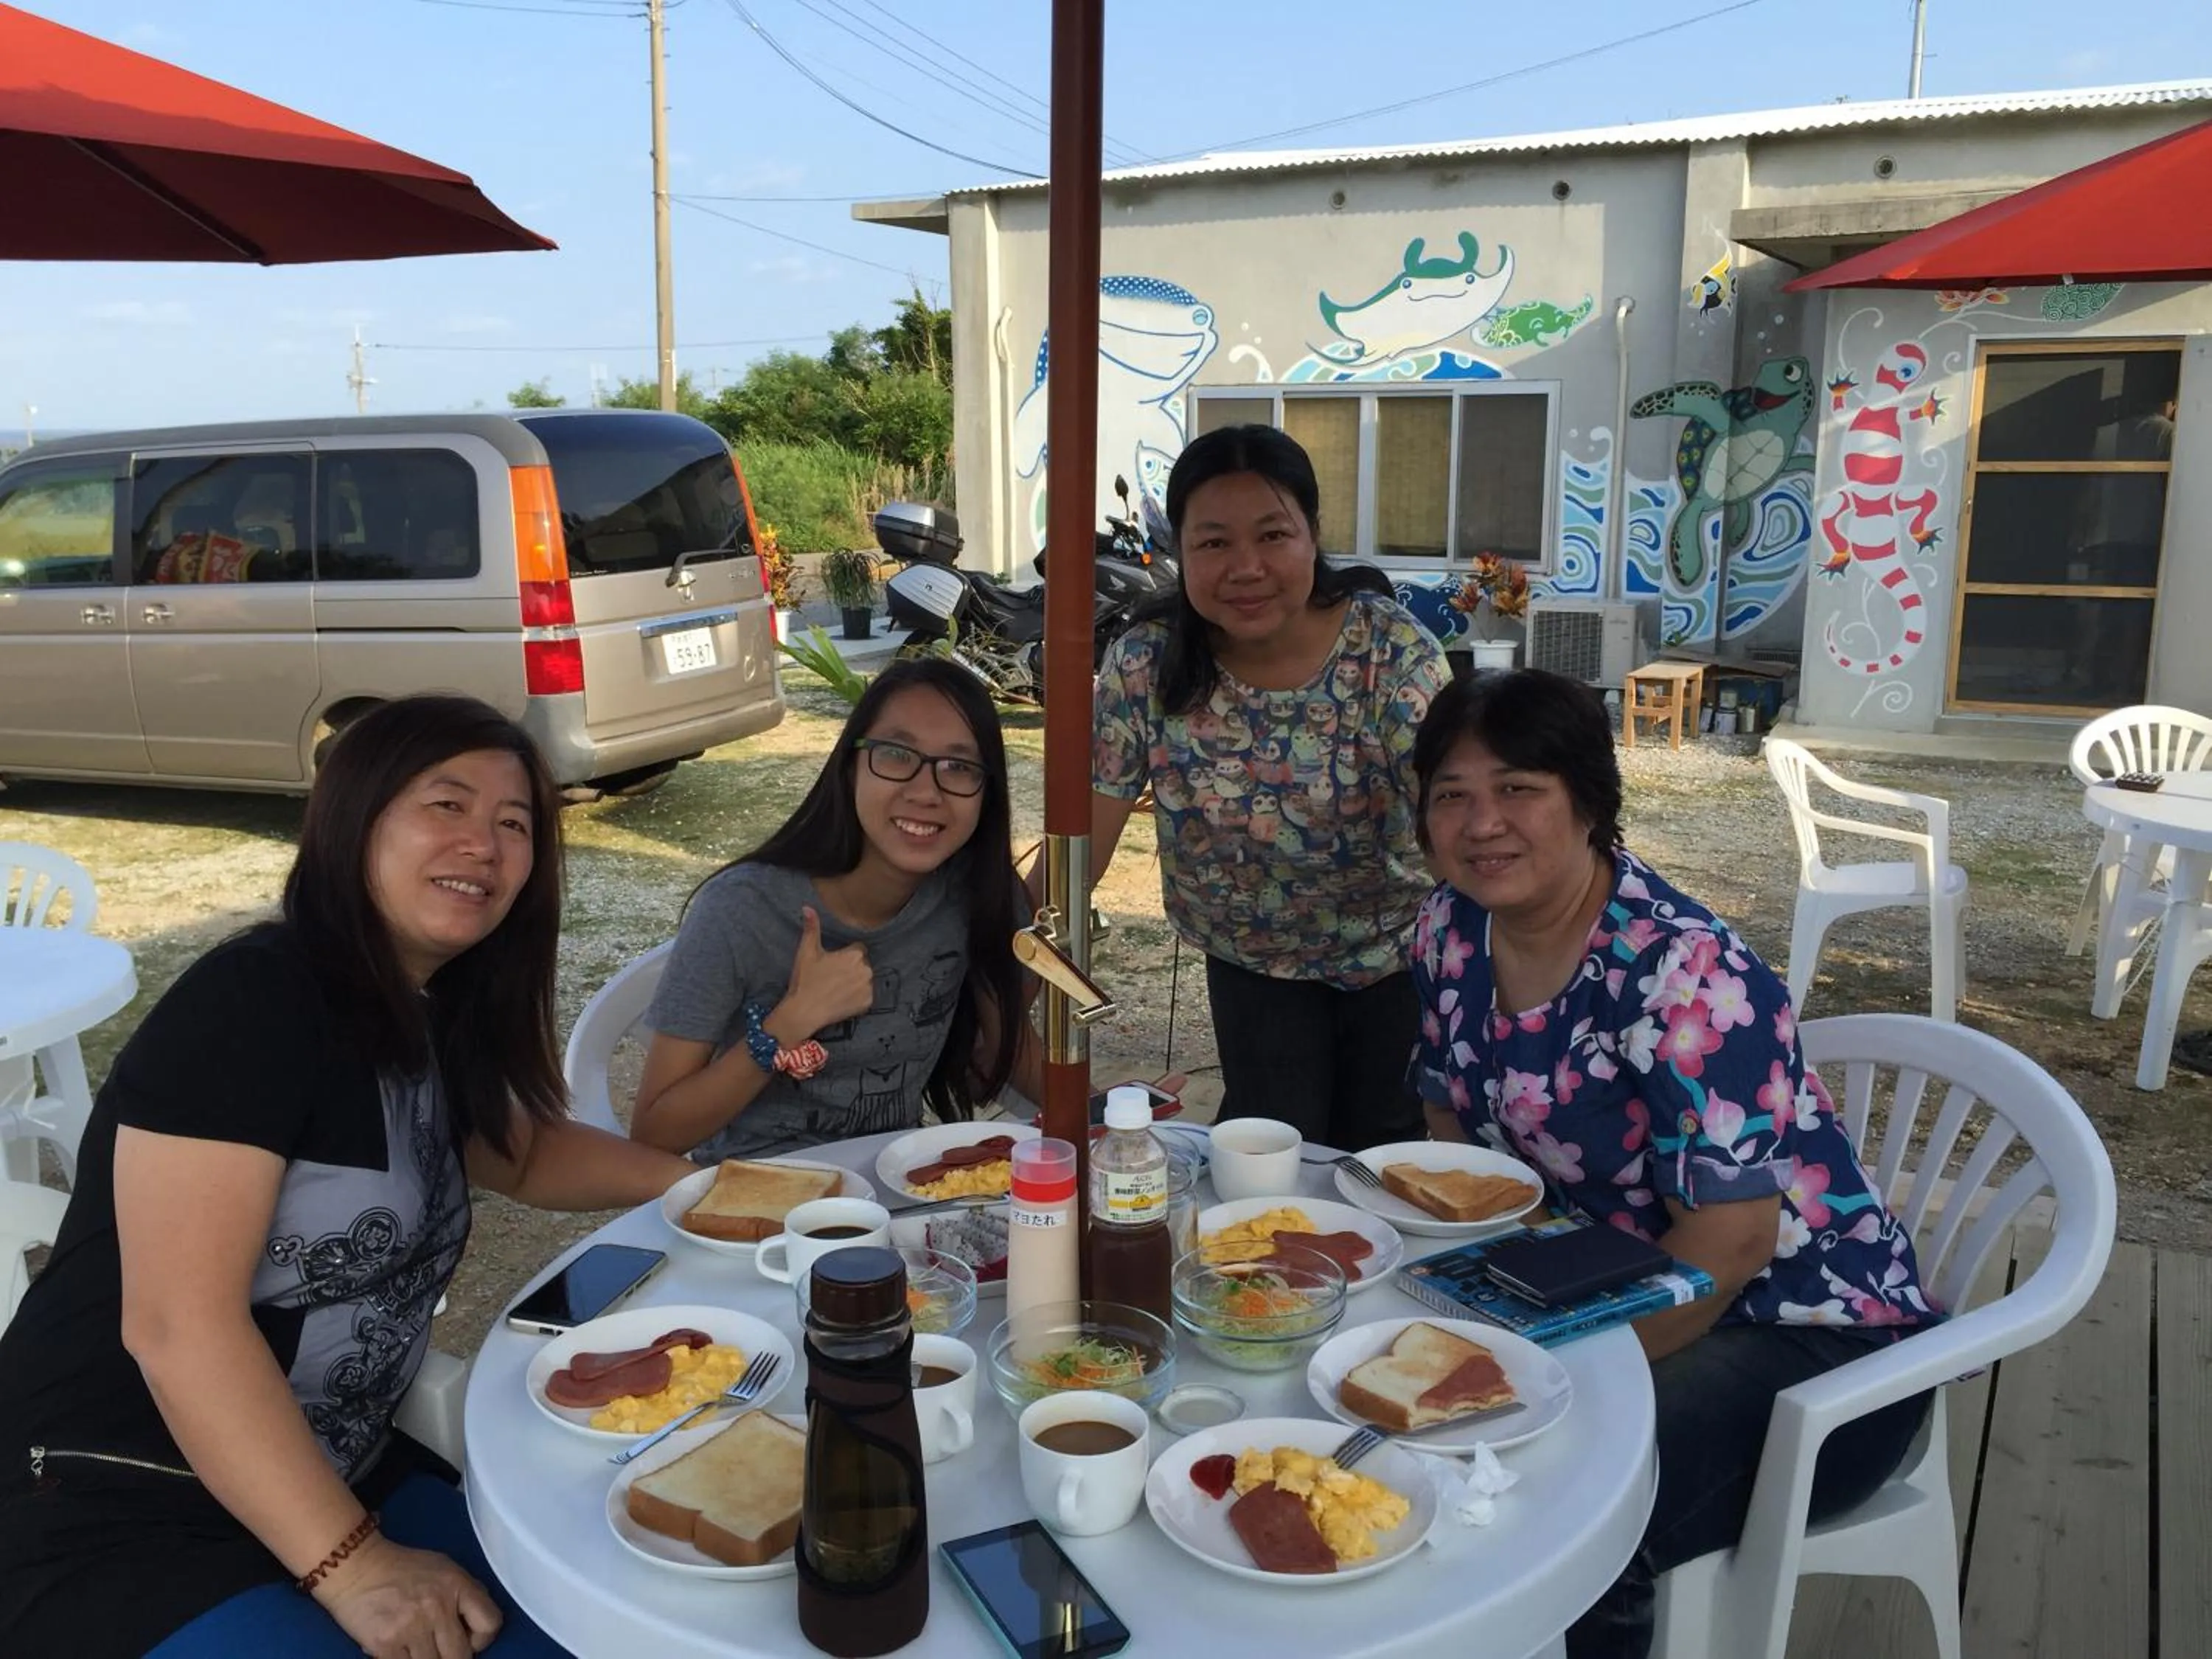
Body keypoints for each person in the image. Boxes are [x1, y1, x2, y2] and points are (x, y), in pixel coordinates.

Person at [0, 695, 701, 1659]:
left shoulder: (427, 1008)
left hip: (340, 1466)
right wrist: (359, 1568)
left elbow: (529, 1151)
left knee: (615, 1614)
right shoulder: (252, 1002)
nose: (485, 843)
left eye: (514, 824)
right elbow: (176, 1327)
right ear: (355, 818)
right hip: (119, 1500)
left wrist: (712, 1187)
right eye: (447, 804)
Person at [1403, 669, 1940, 1659]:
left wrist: (1553, 1367)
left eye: (1518, 788)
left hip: (1806, 1340)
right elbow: (1449, 1116)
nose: (1482, 823)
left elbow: (1731, 1243)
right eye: (1452, 795)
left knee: (1556, 1487)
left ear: (1589, 801)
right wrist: (1479, 1288)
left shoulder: (1683, 970)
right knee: (1408, 1418)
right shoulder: (1450, 930)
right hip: (1588, 1287)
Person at [1078, 423, 1450, 1151]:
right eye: (1213, 542)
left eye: (1273, 535)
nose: (1245, 567)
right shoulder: (1146, 663)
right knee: (1270, 1144)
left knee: (1382, 1154)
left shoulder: (1391, 652)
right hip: (1249, 961)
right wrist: (1003, 952)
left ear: (1313, 535)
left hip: (1395, 956)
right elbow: (1081, 844)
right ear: (1181, 552)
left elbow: (1454, 828)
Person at [632, 658, 1037, 1160]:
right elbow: (655, 1132)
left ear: (986, 793)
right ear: (849, 767)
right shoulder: (740, 910)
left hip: (896, 1187)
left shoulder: (978, 893)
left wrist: (1114, 1116)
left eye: (959, 767)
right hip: (754, 1191)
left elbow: (1003, 1050)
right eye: (896, 755)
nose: (926, 791)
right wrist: (791, 1021)